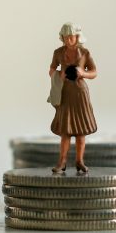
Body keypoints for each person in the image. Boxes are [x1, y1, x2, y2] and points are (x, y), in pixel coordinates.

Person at [48, 22, 98, 173]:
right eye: (66, 37)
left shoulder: (85, 53)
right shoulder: (58, 53)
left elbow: (94, 72)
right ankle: (62, 162)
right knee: (65, 131)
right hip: (64, 93)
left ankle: (79, 161)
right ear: (62, 38)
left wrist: (83, 73)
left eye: (72, 37)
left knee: (81, 131)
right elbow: (51, 70)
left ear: (77, 37)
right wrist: (59, 75)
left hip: (80, 94)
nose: (69, 40)